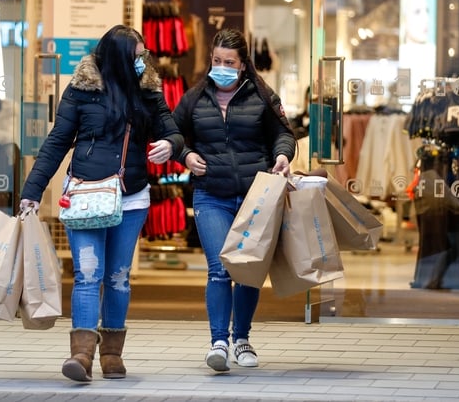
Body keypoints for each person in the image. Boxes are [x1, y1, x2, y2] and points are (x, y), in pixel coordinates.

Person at [18, 25, 184, 382]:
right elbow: (57, 141)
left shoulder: (148, 91)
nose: (142, 62)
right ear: (117, 58)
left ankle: (112, 354)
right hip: (85, 197)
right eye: (135, 57)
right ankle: (81, 355)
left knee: (118, 277)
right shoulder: (81, 90)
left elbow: (171, 130)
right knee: (88, 274)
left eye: (143, 56)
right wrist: (32, 190)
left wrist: (171, 145)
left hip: (131, 197)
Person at [172, 28, 296, 373]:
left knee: (247, 270)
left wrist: (282, 155)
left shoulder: (262, 96)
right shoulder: (194, 98)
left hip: (255, 197)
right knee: (219, 269)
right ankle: (219, 343)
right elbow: (173, 134)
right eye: (217, 61)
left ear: (243, 65)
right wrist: (185, 155)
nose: (222, 68)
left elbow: (284, 134)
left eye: (229, 62)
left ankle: (242, 339)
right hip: (211, 194)